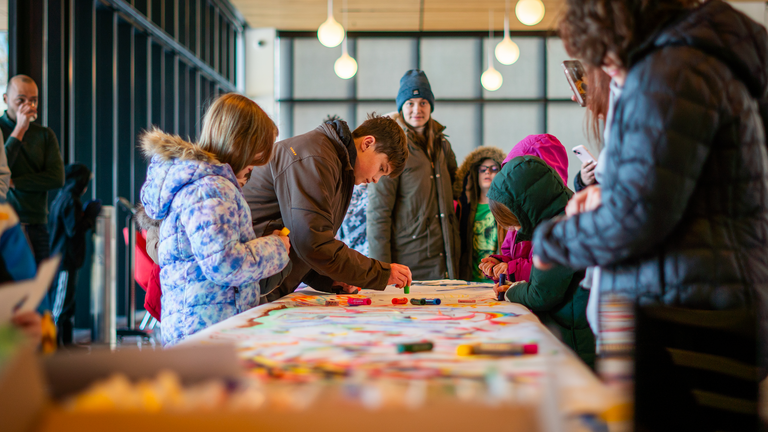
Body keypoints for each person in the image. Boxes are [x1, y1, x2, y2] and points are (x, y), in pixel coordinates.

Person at [535, 0, 768, 428]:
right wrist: (609, 194)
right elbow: (673, 191)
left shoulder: (671, 70)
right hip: (695, 302)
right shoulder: (695, 60)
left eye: (603, 58)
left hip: (680, 314)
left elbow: (638, 215)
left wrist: (552, 240)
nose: (606, 74)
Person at [140, 93, 291, 346]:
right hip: (208, 329)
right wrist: (276, 247)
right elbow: (224, 263)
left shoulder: (201, 182)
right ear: (243, 144)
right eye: (256, 155)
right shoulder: (211, 188)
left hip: (198, 321)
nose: (254, 167)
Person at [243, 114, 411, 303]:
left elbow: (301, 241)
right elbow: (312, 242)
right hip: (247, 285)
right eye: (381, 168)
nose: (375, 180)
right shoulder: (315, 158)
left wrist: (331, 279)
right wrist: (381, 273)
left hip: (263, 282)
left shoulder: (335, 164)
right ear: (367, 143)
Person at [489, 155, 594, 367]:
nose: (512, 230)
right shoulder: (567, 211)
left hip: (574, 337)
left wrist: (511, 291)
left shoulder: (555, 232)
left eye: (512, 222)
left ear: (527, 208)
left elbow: (541, 295)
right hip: (582, 326)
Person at [367, 70, 460, 281]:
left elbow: (459, 188)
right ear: (401, 108)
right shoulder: (392, 150)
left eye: (423, 102)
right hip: (409, 260)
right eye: (410, 103)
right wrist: (381, 272)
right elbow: (378, 213)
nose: (417, 109)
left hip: (446, 258)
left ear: (431, 106)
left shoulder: (443, 146)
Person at [478, 134, 569, 283]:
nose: (513, 230)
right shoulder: (518, 214)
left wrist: (512, 269)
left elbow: (551, 275)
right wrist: (499, 265)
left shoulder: (561, 222)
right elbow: (511, 255)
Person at [0, 75, 64, 265]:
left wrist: (15, 182)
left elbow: (56, 178)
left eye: (33, 100)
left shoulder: (44, 135)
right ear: (6, 99)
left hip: (37, 224)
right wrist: (19, 129)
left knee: (39, 289)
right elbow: (1, 168)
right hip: (6, 224)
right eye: (20, 100)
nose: (27, 105)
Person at [48, 163, 101, 345]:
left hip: (62, 260)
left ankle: (65, 345)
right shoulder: (71, 200)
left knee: (66, 305)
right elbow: (74, 229)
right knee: (60, 307)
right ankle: (53, 347)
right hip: (65, 261)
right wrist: (89, 216)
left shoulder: (61, 198)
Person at [453, 146, 506, 281]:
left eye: (493, 169)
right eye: (482, 169)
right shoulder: (463, 209)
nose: (487, 172)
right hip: (469, 281)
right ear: (475, 175)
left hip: (499, 280)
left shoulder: (507, 209)